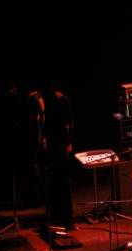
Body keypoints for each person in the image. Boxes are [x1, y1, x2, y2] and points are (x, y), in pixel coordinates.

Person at [40, 84, 75, 229]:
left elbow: (69, 123)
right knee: (54, 181)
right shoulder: (47, 101)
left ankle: (66, 219)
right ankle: (56, 217)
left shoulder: (63, 101)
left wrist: (68, 141)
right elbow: (45, 122)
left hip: (60, 144)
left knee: (63, 182)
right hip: (53, 144)